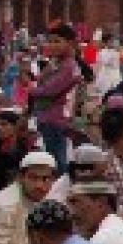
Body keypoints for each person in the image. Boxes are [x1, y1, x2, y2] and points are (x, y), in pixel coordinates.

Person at [28, 25, 84, 175]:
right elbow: (41, 81)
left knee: (57, 160)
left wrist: (31, 89)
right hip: (47, 116)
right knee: (51, 156)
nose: (52, 45)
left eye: (57, 41)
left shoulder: (68, 66)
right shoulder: (56, 63)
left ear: (70, 43)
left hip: (57, 119)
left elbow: (49, 90)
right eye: (50, 41)